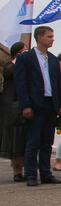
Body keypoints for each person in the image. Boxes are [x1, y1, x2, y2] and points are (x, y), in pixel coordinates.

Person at [14, 26, 61, 186]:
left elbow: (57, 83)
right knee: (33, 141)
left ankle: (45, 173)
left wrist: (60, 105)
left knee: (46, 141)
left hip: (50, 103)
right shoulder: (26, 58)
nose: (52, 39)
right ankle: (30, 174)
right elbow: (20, 83)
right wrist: (25, 105)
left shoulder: (53, 59)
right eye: (49, 36)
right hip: (35, 103)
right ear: (40, 37)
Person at [1, 42, 28, 181]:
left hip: (26, 106)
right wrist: (19, 58)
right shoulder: (9, 66)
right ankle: (17, 171)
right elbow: (11, 73)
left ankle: (26, 169)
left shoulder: (27, 67)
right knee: (14, 141)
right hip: (12, 107)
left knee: (24, 140)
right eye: (23, 51)